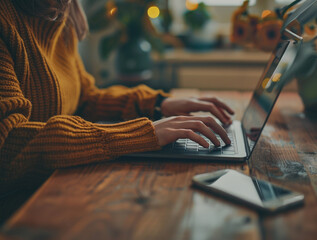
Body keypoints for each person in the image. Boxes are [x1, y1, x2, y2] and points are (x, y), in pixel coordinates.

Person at [0, 0, 234, 191]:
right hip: (23, 205)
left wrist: (160, 104)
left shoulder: (61, 13)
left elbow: (85, 98)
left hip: (61, 181)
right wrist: (138, 134)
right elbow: (8, 144)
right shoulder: (6, 21)